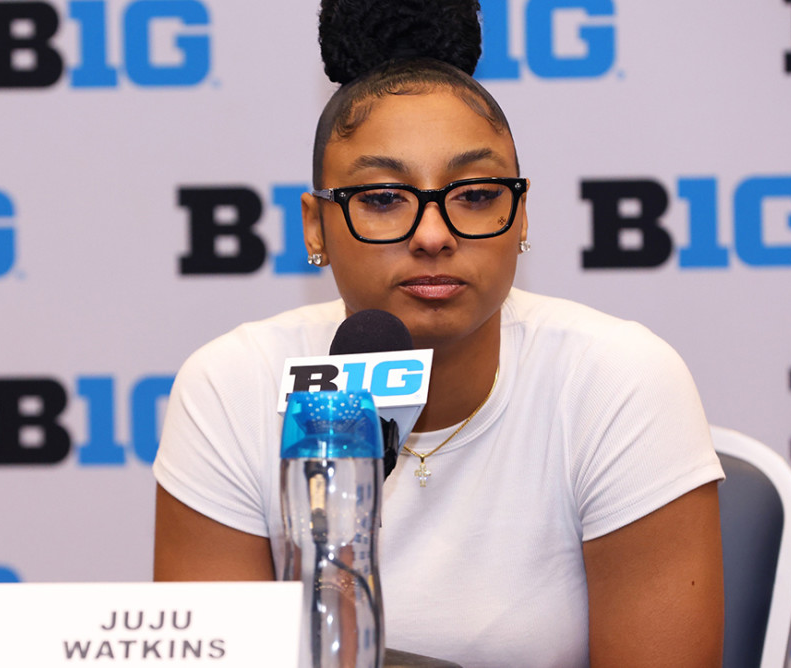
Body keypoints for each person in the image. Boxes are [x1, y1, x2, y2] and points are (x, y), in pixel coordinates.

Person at [153, 1, 725, 666]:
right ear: (315, 228)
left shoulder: (621, 381)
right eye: (384, 198)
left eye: (476, 194)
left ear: (522, 216)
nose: (434, 234)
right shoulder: (233, 386)